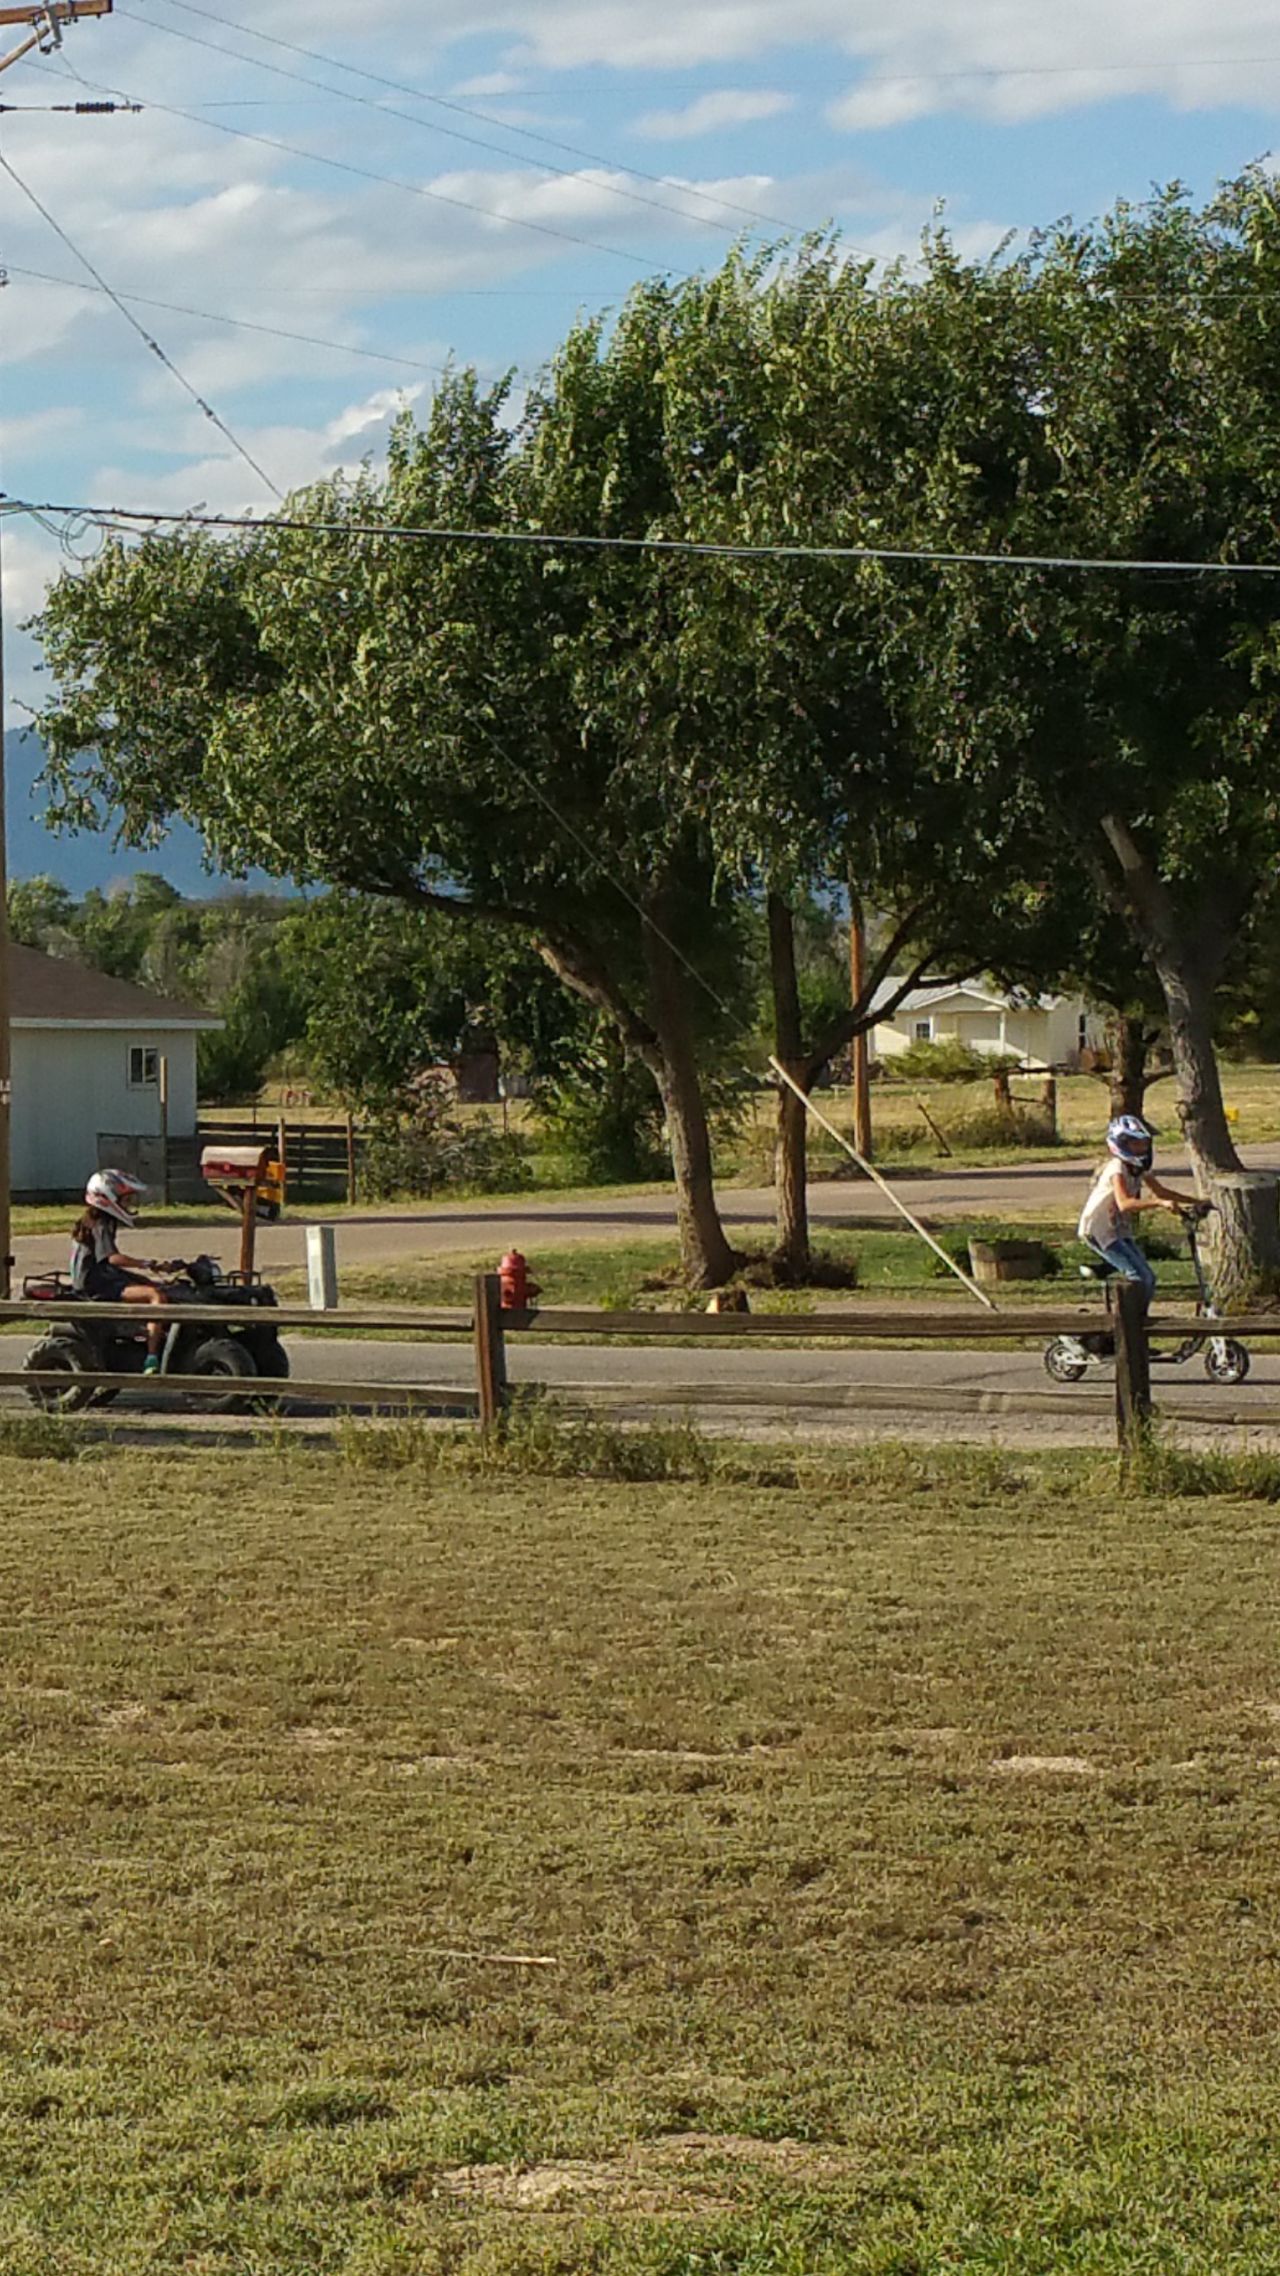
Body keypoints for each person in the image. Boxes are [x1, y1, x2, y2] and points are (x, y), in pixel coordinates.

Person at [1077, 1115, 1202, 1308]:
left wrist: (1197, 1201)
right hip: (1097, 1230)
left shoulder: (1138, 1167)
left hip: (1118, 1229)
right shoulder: (1116, 1168)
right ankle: (1130, 1322)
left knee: (1149, 1277)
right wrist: (1160, 1203)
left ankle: (1135, 1319)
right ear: (1121, 1144)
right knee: (1139, 1277)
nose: (1141, 1149)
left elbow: (1160, 1191)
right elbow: (1125, 1204)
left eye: (1144, 1144)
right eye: (1135, 1144)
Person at [71, 1170, 174, 1376]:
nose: (128, 1205)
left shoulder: (96, 1220)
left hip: (102, 1278)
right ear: (109, 1198)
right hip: (98, 1285)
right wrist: (146, 1263)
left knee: (148, 1284)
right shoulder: (101, 1223)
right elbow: (112, 1258)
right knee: (155, 1296)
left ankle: (145, 1334)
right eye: (126, 1200)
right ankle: (152, 1357)